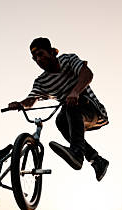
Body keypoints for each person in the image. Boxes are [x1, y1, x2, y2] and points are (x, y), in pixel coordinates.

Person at [7, 37, 109, 182]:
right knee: (61, 122)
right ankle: (96, 160)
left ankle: (77, 154)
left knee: (69, 107)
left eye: (41, 54)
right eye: (35, 58)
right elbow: (31, 100)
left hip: (92, 111)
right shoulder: (41, 81)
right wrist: (20, 104)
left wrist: (75, 92)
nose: (38, 59)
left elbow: (87, 74)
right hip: (72, 115)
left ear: (51, 52)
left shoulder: (68, 60)